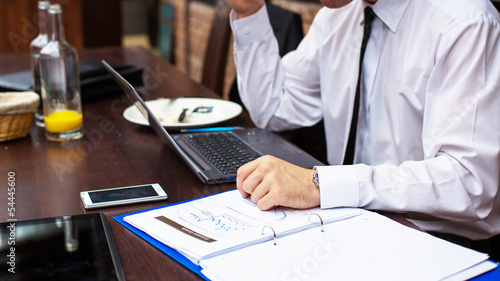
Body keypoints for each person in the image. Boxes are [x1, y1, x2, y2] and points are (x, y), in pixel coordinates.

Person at [224, 0, 500, 246]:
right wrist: (250, 12)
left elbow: (468, 182)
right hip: (350, 224)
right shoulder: (336, 17)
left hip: (444, 243)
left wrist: (321, 184)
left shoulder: (466, 22)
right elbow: (274, 107)